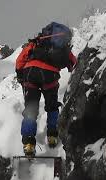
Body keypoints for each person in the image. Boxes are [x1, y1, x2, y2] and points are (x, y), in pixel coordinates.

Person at [15, 22, 78, 157]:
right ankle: (52, 136)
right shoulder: (62, 47)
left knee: (31, 110)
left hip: (30, 73)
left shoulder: (37, 42)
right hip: (50, 76)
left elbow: (20, 60)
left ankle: (29, 144)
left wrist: (21, 76)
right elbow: (74, 63)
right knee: (52, 106)